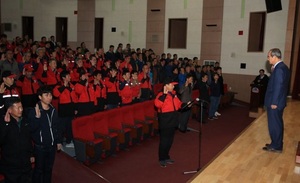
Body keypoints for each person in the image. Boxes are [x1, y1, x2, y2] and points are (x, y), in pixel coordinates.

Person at [27, 85, 63, 183]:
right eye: (46, 95)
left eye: (50, 95)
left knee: (49, 169)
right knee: (39, 170)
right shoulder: (34, 111)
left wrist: (58, 141)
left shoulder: (53, 110)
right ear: (40, 97)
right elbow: (30, 130)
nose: (49, 97)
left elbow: (56, 127)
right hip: (40, 147)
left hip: (52, 146)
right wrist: (37, 118)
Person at [154, 77, 191, 168]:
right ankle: (162, 158)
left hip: (173, 119)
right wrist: (164, 94)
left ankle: (166, 156)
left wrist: (186, 105)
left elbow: (179, 105)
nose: (174, 87)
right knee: (164, 141)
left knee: (170, 140)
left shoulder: (173, 95)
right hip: (165, 120)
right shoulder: (160, 95)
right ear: (166, 86)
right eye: (172, 85)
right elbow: (157, 104)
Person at [0, 97, 34, 183]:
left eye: (21, 107)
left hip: (25, 163)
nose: (21, 110)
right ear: (10, 110)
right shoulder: (3, 122)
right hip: (11, 165)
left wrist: (31, 154)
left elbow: (29, 139)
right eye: (18, 108)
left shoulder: (25, 121)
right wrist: (6, 125)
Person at [262, 48, 290, 153]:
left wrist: (274, 102)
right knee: (277, 123)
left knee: (274, 124)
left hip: (275, 103)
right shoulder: (283, 67)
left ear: (274, 56)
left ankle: (276, 146)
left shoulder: (279, 69)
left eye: (269, 56)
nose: (268, 58)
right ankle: (276, 143)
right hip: (280, 101)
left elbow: (278, 87)